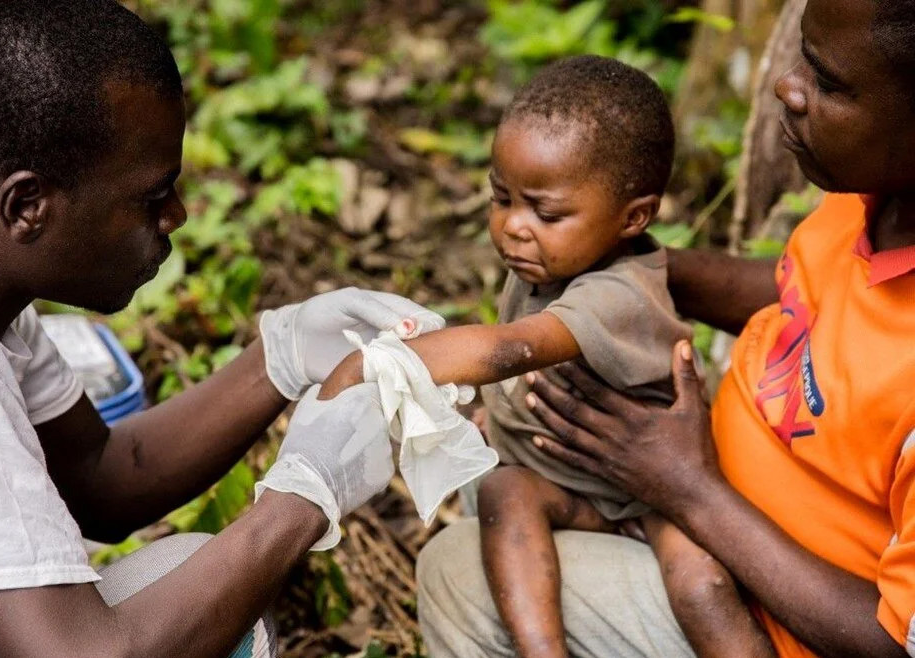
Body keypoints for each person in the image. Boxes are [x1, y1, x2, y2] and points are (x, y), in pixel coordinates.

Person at [0, 1, 445, 657]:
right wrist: (301, 500)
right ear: (28, 206)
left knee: (188, 581)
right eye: (150, 196)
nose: (179, 215)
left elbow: (100, 477)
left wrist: (278, 358)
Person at [416, 0, 915, 656]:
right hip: (687, 503)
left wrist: (687, 488)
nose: (785, 85)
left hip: (767, 615)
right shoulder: (876, 198)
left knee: (460, 573)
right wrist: (618, 279)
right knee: (498, 485)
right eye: (802, 55)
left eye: (828, 84)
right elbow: (806, 289)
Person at [319, 56, 773, 657]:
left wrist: (380, 363)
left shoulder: (618, 292)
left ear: (633, 217)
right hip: (577, 489)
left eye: (546, 212)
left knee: (703, 586)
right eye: (500, 198)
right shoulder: (545, 264)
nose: (513, 226)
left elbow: (514, 349)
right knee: (508, 496)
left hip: (657, 497)